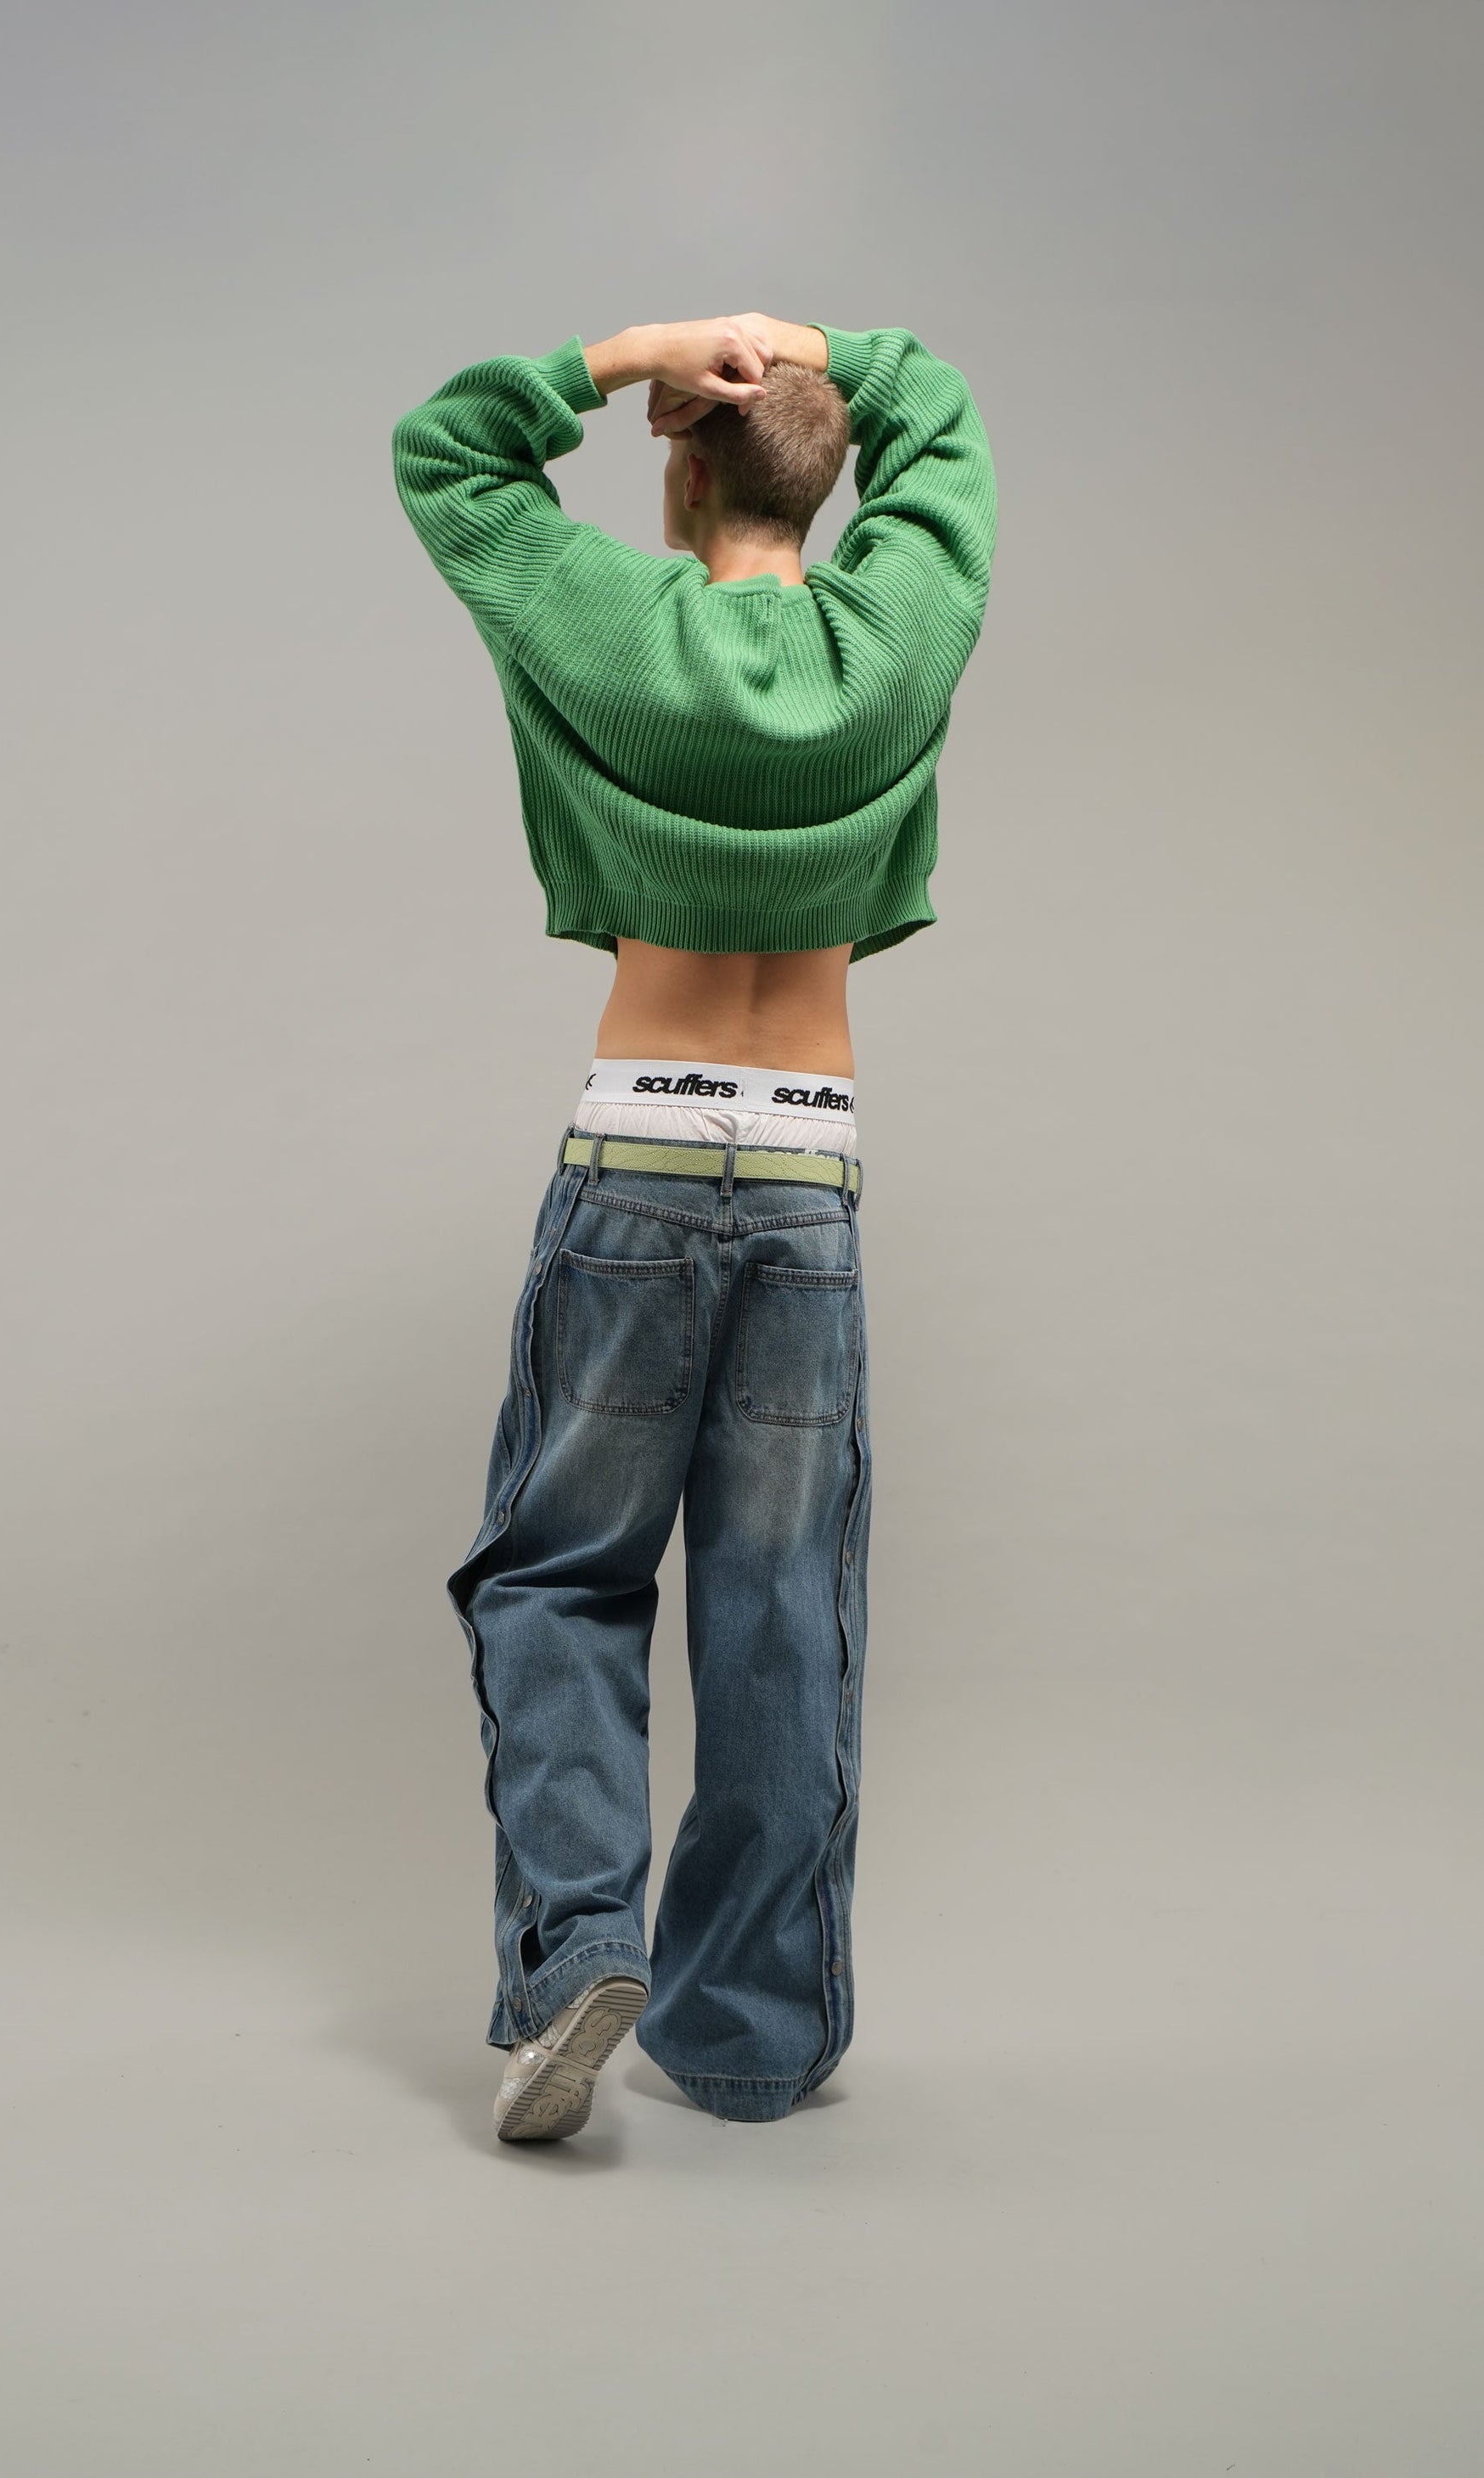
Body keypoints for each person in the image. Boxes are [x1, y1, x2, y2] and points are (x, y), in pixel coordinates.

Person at [393, 313, 995, 2140]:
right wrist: (804, 355)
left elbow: (448, 453)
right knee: (780, 1603)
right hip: (807, 1181)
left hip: (632, 1167)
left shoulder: (614, 623)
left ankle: (578, 1949)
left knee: (558, 1575)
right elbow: (941, 420)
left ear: (678, 470)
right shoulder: (892, 641)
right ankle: (745, 2035)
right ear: (828, 474)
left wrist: (647, 348)